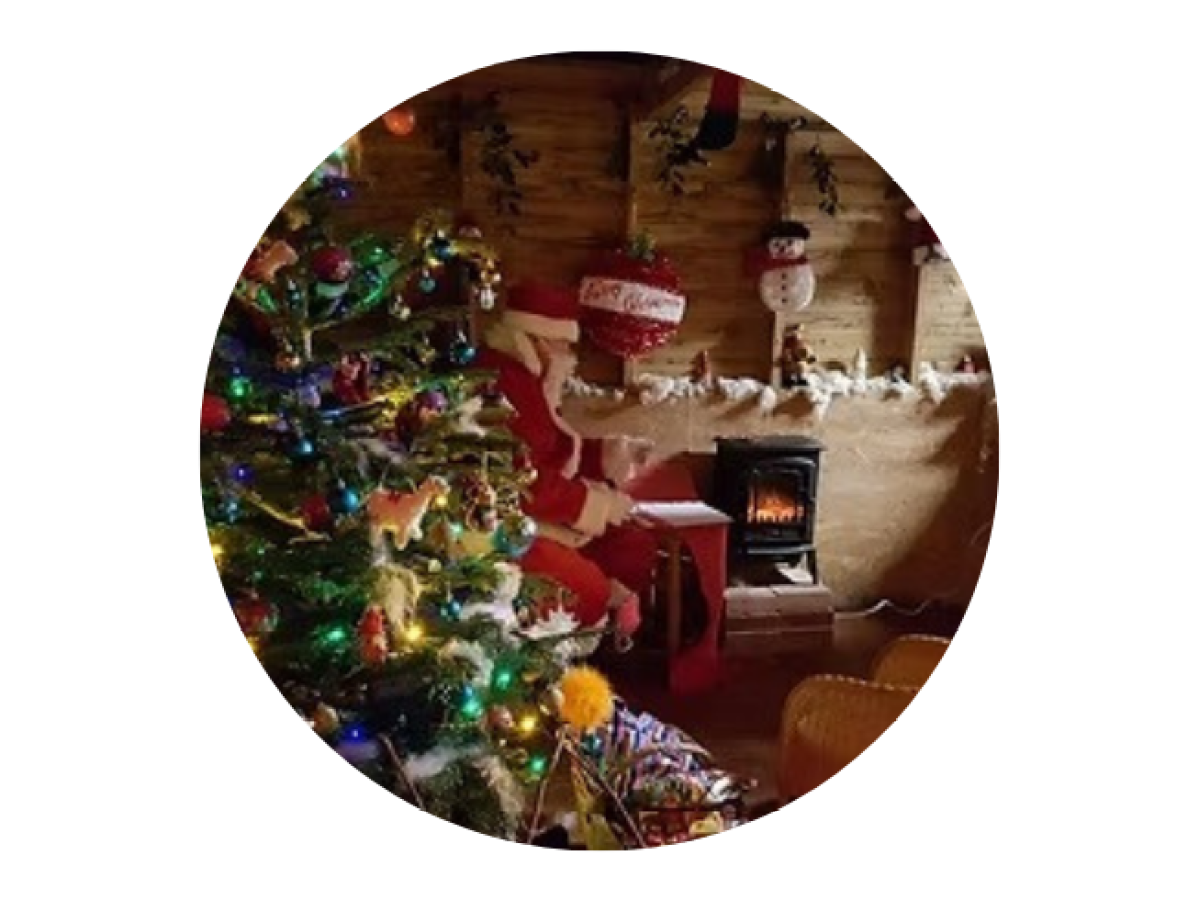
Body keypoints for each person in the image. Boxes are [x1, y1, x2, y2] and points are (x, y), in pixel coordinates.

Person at [474, 282, 657, 647]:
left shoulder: (526, 378)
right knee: (584, 589)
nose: (570, 356)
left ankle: (605, 630)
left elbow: (549, 448)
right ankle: (562, 654)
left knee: (631, 544)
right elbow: (526, 483)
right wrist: (598, 506)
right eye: (564, 345)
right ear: (537, 340)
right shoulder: (507, 383)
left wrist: (610, 452)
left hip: (542, 513)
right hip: (506, 527)